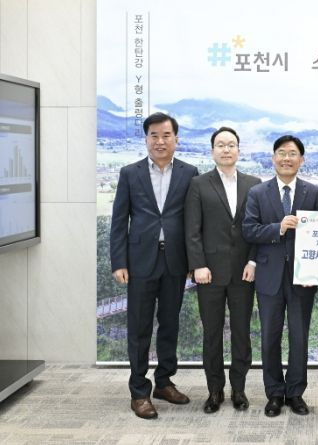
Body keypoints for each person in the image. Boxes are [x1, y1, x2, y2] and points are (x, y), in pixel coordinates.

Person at [110, 112, 199, 419]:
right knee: (139, 327)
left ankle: (164, 382)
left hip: (175, 261)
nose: (160, 141)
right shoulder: (130, 173)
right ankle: (139, 391)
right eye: (154, 136)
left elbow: (194, 221)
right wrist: (119, 261)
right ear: (146, 139)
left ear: (176, 139)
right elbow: (119, 221)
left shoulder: (190, 173)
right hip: (140, 262)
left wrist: (194, 261)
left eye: (166, 135)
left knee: (170, 324)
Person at [242, 135, 318, 417]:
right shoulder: (258, 192)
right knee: (270, 336)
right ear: (273, 158)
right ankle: (275, 393)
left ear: (301, 159)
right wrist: (278, 228)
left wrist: (316, 271)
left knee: (299, 337)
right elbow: (249, 230)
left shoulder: (314, 192)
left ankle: (296, 393)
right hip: (269, 275)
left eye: (292, 153)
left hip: (303, 277)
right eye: (281, 153)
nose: (286, 158)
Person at [184, 127, 261, 414]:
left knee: (242, 333)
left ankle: (238, 389)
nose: (226, 149)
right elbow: (192, 229)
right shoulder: (198, 184)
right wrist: (198, 265)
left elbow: (258, 229)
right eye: (220, 145)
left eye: (231, 145)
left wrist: (253, 262)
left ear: (239, 150)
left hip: (243, 273)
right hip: (209, 273)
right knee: (212, 334)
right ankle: (214, 390)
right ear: (212, 151)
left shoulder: (254, 184)